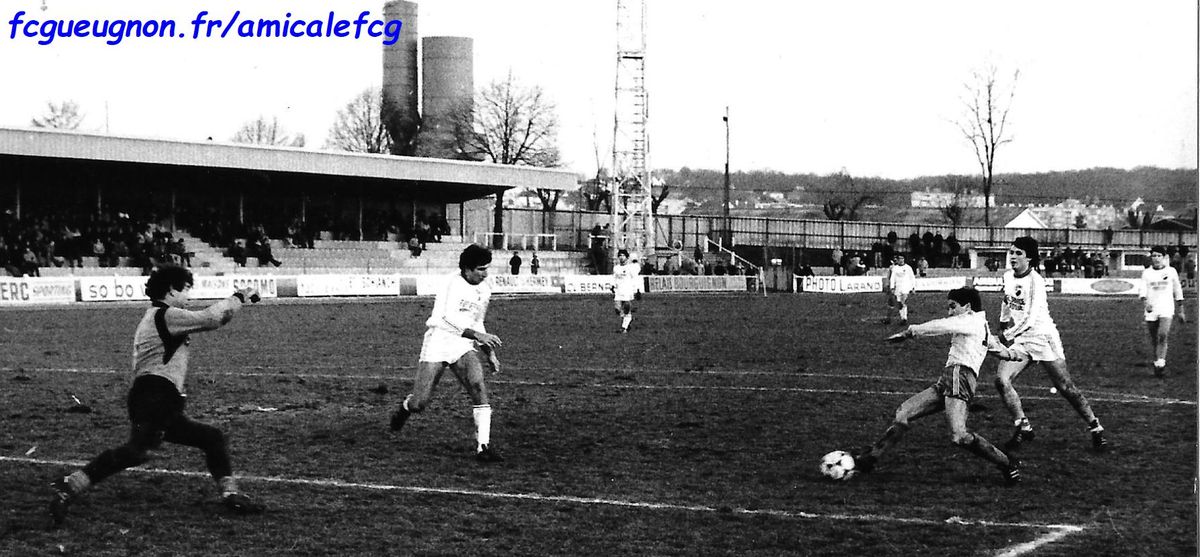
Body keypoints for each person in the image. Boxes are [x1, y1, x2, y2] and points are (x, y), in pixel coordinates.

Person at [49, 265, 263, 525]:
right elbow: (213, 318)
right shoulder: (166, 314)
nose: (188, 297)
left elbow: (221, 317)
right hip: (155, 395)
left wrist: (236, 304)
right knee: (137, 451)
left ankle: (231, 494)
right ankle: (69, 486)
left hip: (155, 396)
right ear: (171, 290)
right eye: (185, 290)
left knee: (209, 438)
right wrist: (239, 296)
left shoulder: (157, 316)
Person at [852, 287, 1021, 484]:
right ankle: (871, 457)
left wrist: (911, 331)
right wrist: (1013, 354)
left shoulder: (969, 320)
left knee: (959, 435)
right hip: (949, 378)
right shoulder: (979, 325)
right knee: (902, 414)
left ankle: (1007, 463)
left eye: (953, 307)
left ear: (967, 307)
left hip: (960, 376)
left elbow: (940, 326)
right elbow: (996, 348)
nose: (950, 312)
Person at [389, 245, 504, 462]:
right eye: (480, 269)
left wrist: (489, 352)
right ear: (467, 269)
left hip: (462, 345)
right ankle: (405, 408)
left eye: (487, 269)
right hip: (439, 342)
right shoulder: (450, 284)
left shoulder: (484, 290)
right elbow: (443, 319)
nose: (485, 274)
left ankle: (483, 447)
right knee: (419, 403)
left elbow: (478, 321)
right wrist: (477, 335)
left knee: (478, 387)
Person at [994, 236, 1107, 453]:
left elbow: (1029, 317)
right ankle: (1023, 426)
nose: (1013, 256)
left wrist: (1006, 334)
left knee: (1066, 386)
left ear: (1029, 258)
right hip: (1021, 340)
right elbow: (1006, 300)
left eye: (1018, 253)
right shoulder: (1008, 276)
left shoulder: (1036, 281)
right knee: (1001, 380)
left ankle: (1095, 426)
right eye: (1011, 252)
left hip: (1043, 338)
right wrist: (1002, 322)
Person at [1139, 246, 1186, 376]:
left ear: (1164, 257)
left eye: (1159, 256)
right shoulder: (1147, 273)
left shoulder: (1171, 271)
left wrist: (1181, 310)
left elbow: (1177, 290)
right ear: (1151, 257)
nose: (1156, 258)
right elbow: (1142, 290)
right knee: (1155, 338)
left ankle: (1161, 361)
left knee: (1163, 334)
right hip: (1151, 309)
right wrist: (1146, 303)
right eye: (1154, 256)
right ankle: (1157, 363)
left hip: (1166, 308)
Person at [611, 249, 642, 333]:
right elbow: (615, 277)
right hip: (618, 291)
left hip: (627, 290)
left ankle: (624, 327)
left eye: (623, 256)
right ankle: (627, 321)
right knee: (617, 309)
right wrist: (613, 286)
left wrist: (637, 289)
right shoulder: (616, 268)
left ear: (627, 257)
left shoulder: (630, 268)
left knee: (626, 309)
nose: (621, 257)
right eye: (620, 256)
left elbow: (635, 278)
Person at [883, 254, 916, 325]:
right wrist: (892, 287)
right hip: (897, 287)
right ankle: (902, 318)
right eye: (899, 259)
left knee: (902, 302)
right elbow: (892, 278)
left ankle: (904, 319)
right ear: (897, 260)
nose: (901, 260)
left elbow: (912, 277)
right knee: (899, 303)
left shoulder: (908, 268)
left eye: (902, 259)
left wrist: (913, 287)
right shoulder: (895, 268)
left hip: (906, 287)